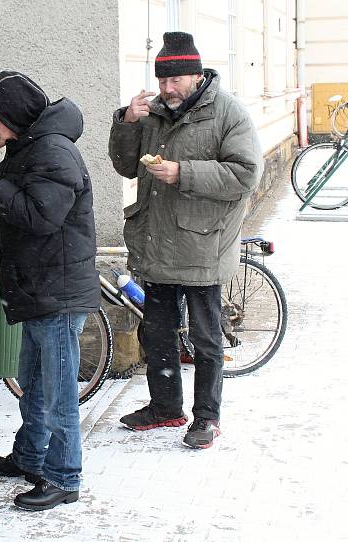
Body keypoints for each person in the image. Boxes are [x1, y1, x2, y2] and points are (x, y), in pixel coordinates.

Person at [108, 31, 263, 449]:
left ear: (196, 75)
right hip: (157, 241)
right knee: (156, 331)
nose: (166, 89)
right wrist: (126, 122)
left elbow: (246, 174)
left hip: (203, 244)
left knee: (206, 336)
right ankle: (165, 408)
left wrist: (184, 173)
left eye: (175, 81)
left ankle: (207, 418)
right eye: (161, 81)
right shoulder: (154, 112)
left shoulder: (228, 113)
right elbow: (125, 165)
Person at [0, 71, 100, 511]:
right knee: (34, 381)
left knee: (59, 392)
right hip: (41, 289)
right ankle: (30, 456)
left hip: (56, 292)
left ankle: (65, 477)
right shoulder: (30, 146)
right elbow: (20, 193)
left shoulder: (54, 151)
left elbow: (40, 216)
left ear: (13, 115)